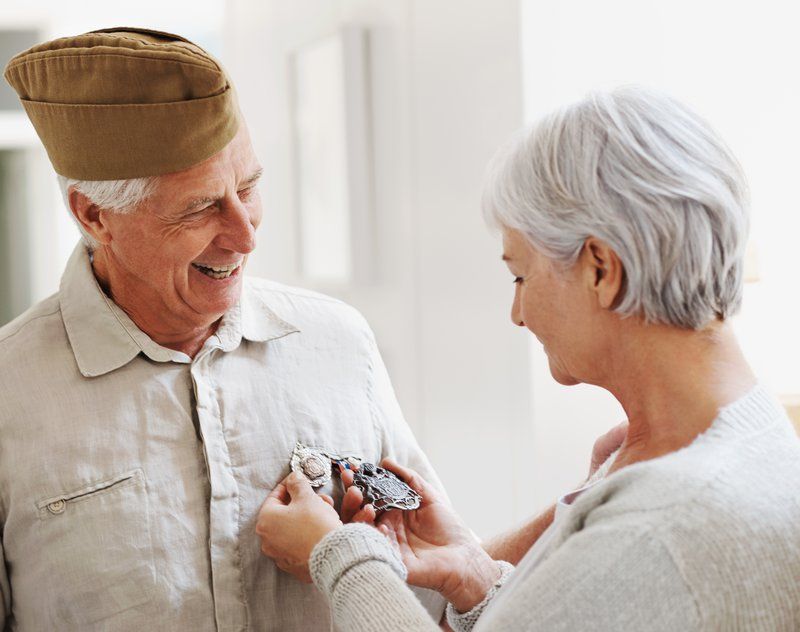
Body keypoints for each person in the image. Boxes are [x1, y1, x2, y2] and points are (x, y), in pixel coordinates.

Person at [256, 87, 800, 631]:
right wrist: (475, 576)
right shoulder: (741, 436)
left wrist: (341, 557)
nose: (517, 313)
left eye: (520, 274)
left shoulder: (655, 527)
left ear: (600, 270)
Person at [0, 27, 453, 630]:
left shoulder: (340, 342)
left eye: (248, 188)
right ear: (94, 214)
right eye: (201, 206)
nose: (246, 235)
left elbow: (437, 592)